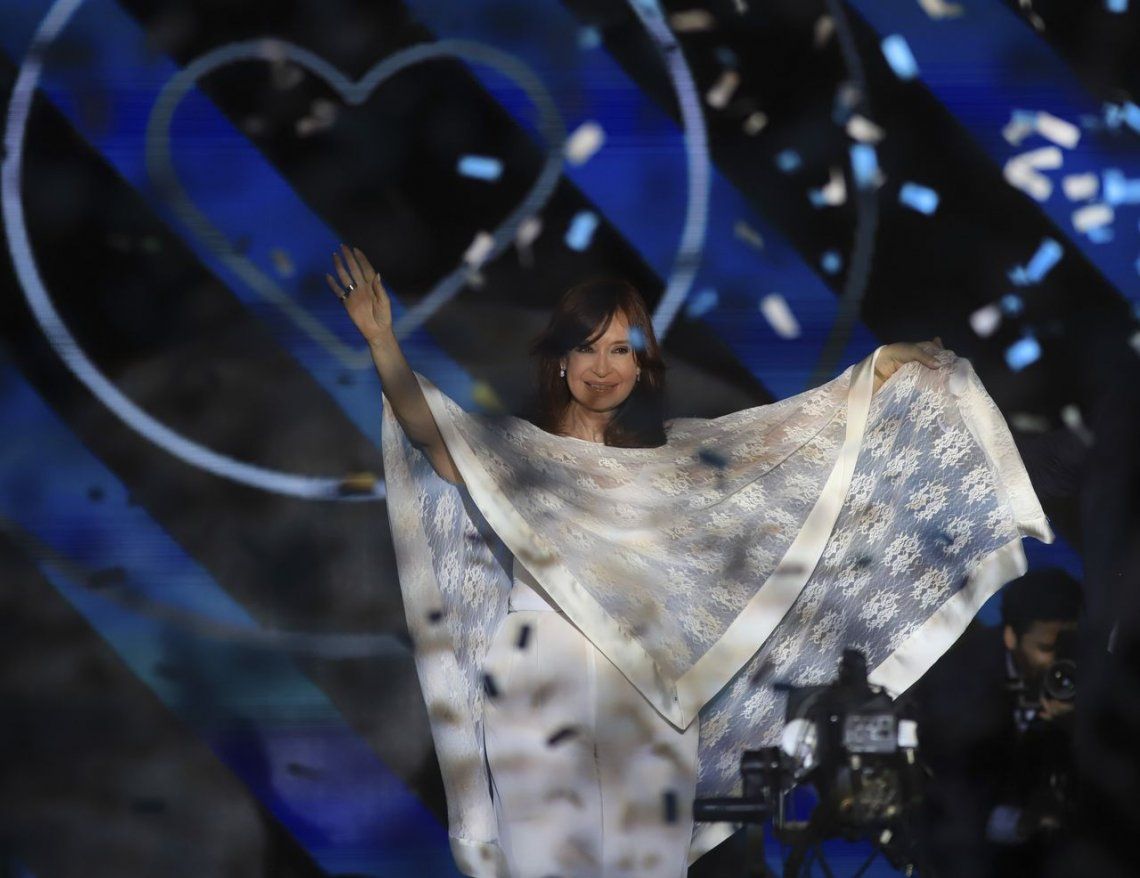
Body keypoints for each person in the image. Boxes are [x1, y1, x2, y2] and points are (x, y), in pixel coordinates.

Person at [327, 243, 1055, 878]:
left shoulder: (679, 456)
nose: (603, 368)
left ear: (642, 362)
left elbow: (807, 436)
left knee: (649, 863)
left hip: (650, 684)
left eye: (621, 350)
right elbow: (431, 434)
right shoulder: (517, 452)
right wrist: (382, 341)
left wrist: (879, 373)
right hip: (540, 676)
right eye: (588, 348)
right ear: (561, 357)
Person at [913, 568, 1081, 878]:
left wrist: (1077, 728)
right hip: (970, 836)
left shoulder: (1098, 670)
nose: (1057, 663)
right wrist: (1021, 823)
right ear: (1011, 637)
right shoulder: (962, 678)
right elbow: (951, 784)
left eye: (1070, 647)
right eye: (1045, 649)